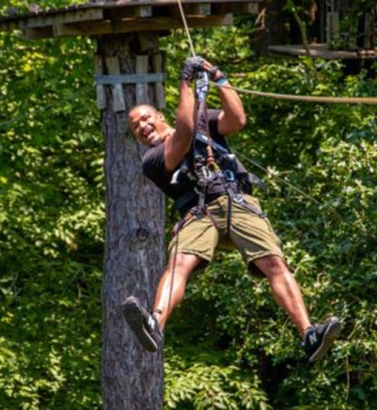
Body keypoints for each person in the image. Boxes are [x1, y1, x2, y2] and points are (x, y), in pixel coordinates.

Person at [122, 57, 341, 362]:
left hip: (236, 200)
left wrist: (220, 80)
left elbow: (236, 120)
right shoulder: (152, 160)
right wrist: (185, 82)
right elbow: (183, 135)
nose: (143, 127)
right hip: (199, 213)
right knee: (179, 264)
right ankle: (154, 324)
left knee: (274, 264)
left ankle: (309, 334)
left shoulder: (202, 120)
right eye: (136, 128)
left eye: (145, 119)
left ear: (159, 115)